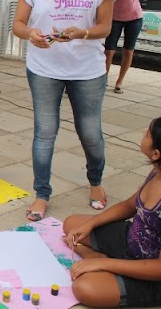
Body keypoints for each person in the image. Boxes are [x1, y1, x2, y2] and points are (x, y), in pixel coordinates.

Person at [12, 0, 118, 222]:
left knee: (89, 132)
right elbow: (18, 23)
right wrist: (31, 34)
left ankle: (95, 183)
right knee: (45, 132)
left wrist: (82, 32)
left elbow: (105, 27)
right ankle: (42, 194)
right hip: (44, 67)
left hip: (87, 68)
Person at [62, 117, 161, 308]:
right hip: (131, 241)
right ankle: (101, 258)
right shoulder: (156, 172)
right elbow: (128, 206)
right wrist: (90, 224)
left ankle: (103, 261)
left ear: (156, 153)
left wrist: (105, 264)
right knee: (72, 224)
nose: (143, 132)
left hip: (151, 274)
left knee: (85, 288)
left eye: (147, 132)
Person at [105, 0, 161, 94]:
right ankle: (103, 78)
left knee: (128, 51)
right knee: (109, 50)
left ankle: (119, 81)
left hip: (134, 17)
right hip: (115, 17)